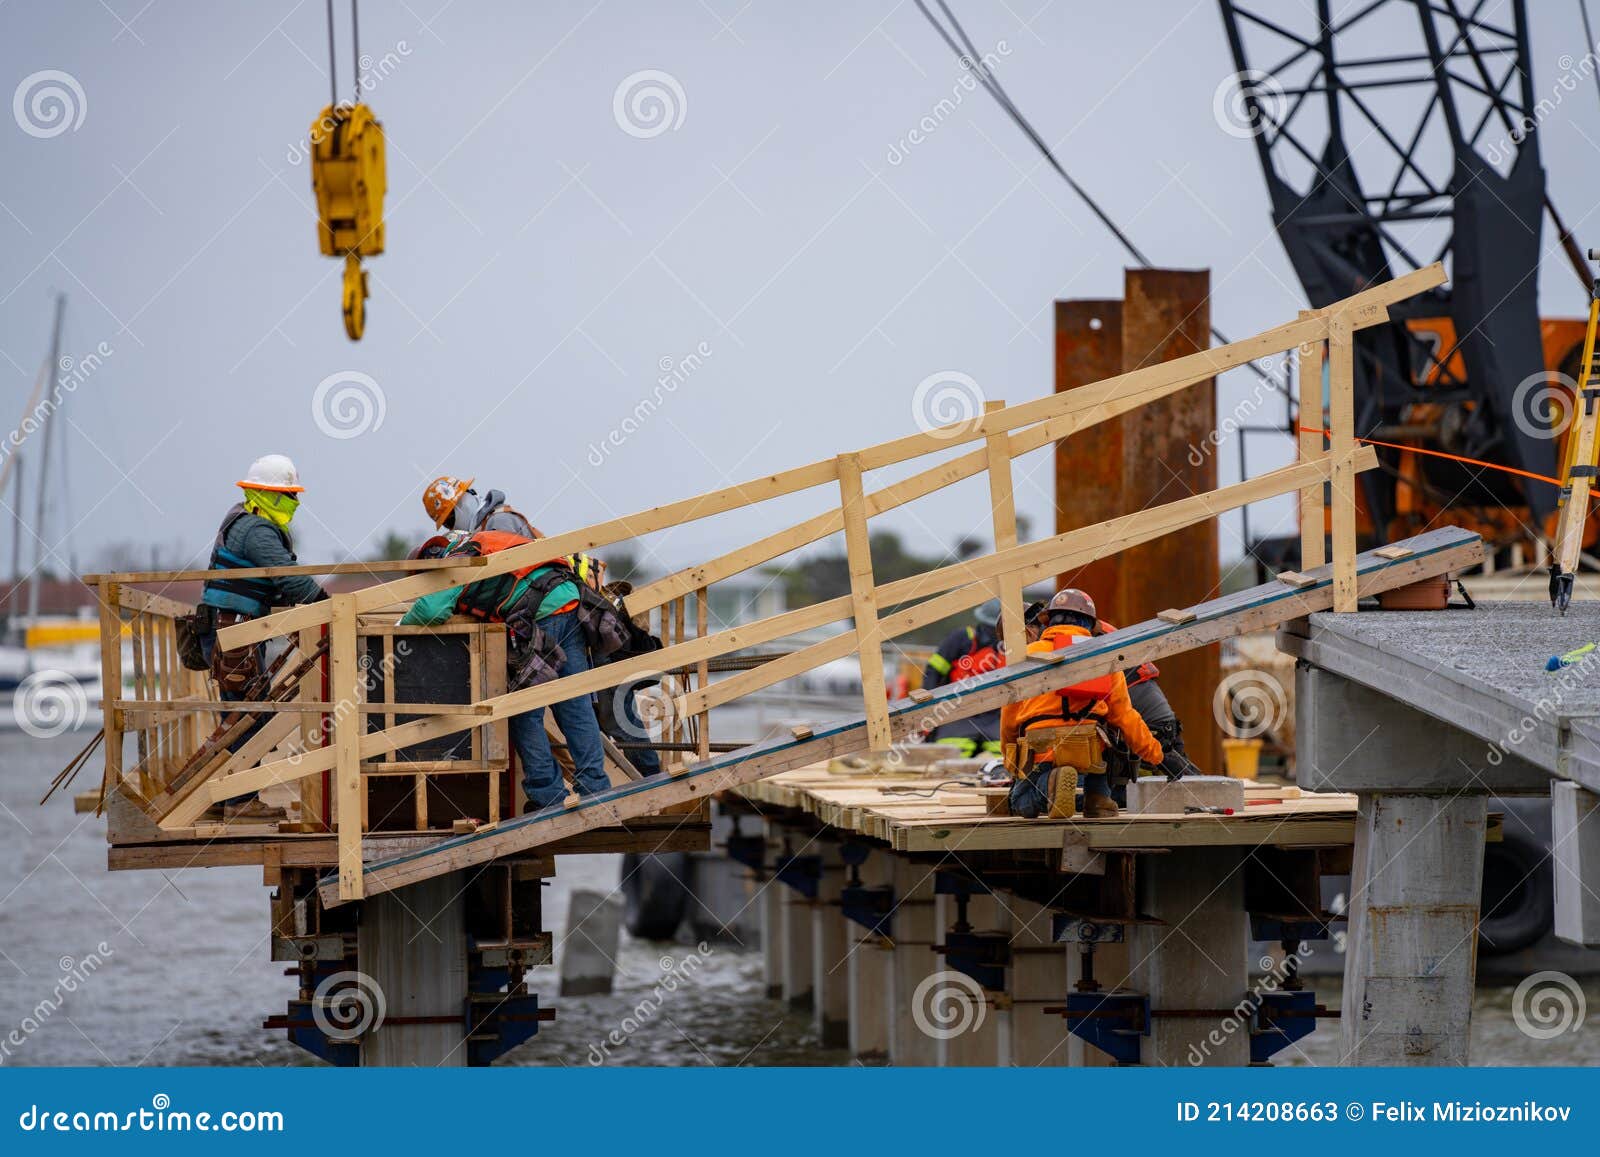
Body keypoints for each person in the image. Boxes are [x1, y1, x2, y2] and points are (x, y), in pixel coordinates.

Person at [398, 528, 609, 812]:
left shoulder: (456, 562)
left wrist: (399, 628)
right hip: (570, 602)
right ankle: (596, 788)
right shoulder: (481, 542)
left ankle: (547, 794)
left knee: (524, 712)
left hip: (542, 612)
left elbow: (430, 611)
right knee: (575, 704)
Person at [199, 454, 329, 820]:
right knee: (250, 713)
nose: (295, 502)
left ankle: (223, 796)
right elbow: (288, 576)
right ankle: (240, 801)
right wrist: (326, 605)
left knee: (241, 712)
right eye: (289, 495)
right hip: (233, 630)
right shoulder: (256, 530)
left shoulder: (246, 522)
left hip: (232, 628)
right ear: (268, 494)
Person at [1001, 588, 1194, 819]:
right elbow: (1126, 717)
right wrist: (1159, 756)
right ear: (1090, 623)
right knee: (1100, 745)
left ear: (1050, 620)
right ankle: (1098, 798)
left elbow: (1009, 720)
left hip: (1043, 752)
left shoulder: (1027, 656)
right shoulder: (1104, 657)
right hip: (1090, 752)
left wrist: (1010, 758)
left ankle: (1050, 784)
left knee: (1019, 801)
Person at [920, 598, 1006, 757]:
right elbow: (933, 672)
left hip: (996, 716)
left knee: (1003, 759)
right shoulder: (960, 640)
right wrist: (929, 711)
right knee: (949, 759)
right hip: (957, 713)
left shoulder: (1012, 648)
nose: (993, 634)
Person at [422, 475, 536, 537]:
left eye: (449, 522)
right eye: (446, 525)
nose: (452, 529)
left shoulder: (499, 521)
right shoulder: (481, 531)